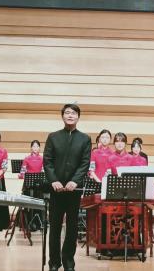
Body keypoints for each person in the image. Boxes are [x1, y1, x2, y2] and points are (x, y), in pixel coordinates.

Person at [44, 104, 92, 271]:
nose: (70, 115)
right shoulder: (53, 137)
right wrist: (53, 180)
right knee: (55, 227)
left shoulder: (85, 139)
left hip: (73, 191)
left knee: (72, 228)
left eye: (73, 113)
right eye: (67, 113)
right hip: (56, 190)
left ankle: (69, 263)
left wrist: (75, 181)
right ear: (62, 116)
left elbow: (85, 163)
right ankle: (54, 263)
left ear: (78, 117)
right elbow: (47, 161)